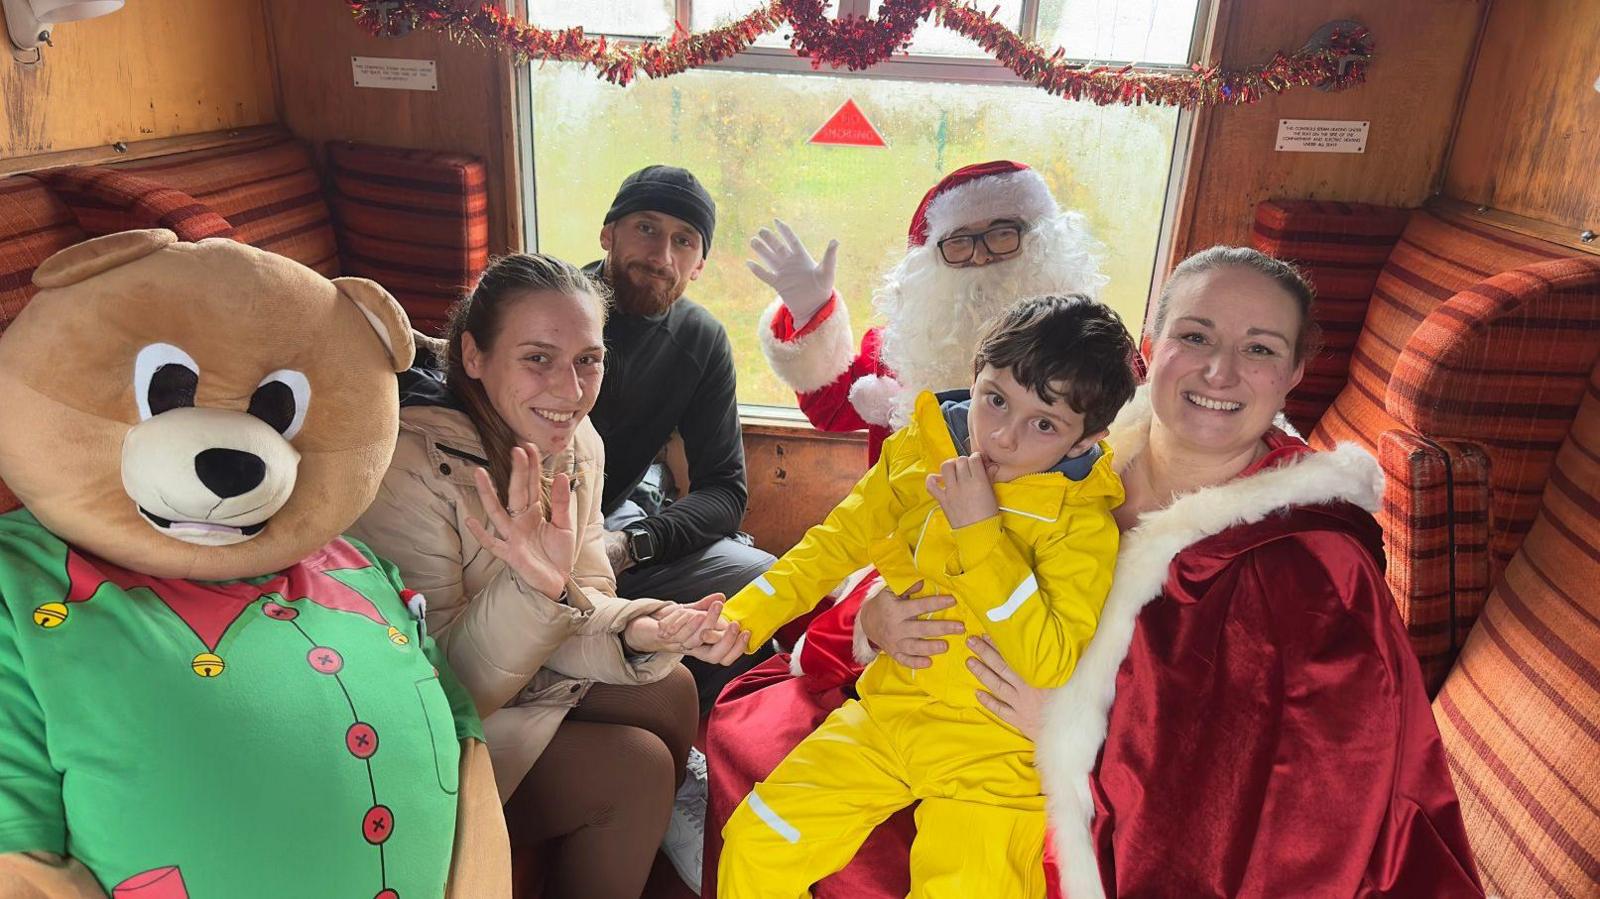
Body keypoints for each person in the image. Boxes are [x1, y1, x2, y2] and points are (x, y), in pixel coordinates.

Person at [781, 247, 1484, 897]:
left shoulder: (1311, 565)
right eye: (1197, 336)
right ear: (1151, 349)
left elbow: (1297, 805)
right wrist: (876, 617)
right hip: (942, 725)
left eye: (1260, 348)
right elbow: (928, 553)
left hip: (1107, 826)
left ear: (1295, 372)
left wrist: (1073, 733)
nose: (1220, 371)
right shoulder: (1064, 447)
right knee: (768, 740)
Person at [704, 161, 1105, 896]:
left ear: (1082, 435)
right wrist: (749, 611)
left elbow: (1050, 652)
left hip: (992, 752)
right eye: (993, 401)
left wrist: (981, 531)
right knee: (758, 845)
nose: (1006, 436)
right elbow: (838, 534)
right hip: (894, 698)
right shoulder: (925, 434)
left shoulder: (1086, 498)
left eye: (1004, 235)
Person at [348, 253, 747, 899]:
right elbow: (446, 691)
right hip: (431, 731)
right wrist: (536, 590)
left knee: (671, 685)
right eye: (537, 357)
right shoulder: (404, 467)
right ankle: (628, 822)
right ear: (473, 355)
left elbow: (585, 593)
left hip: (525, 671)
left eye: (588, 359)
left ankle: (640, 847)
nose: (569, 389)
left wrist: (644, 627)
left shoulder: (575, 439)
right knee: (635, 771)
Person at [584, 164, 777, 709]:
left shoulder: (700, 341)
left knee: (757, 582)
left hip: (612, 533)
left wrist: (633, 544)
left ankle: (718, 734)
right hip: (517, 527)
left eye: (683, 240)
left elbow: (724, 493)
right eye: (645, 228)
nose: (661, 256)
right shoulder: (550, 304)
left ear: (699, 264)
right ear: (608, 234)